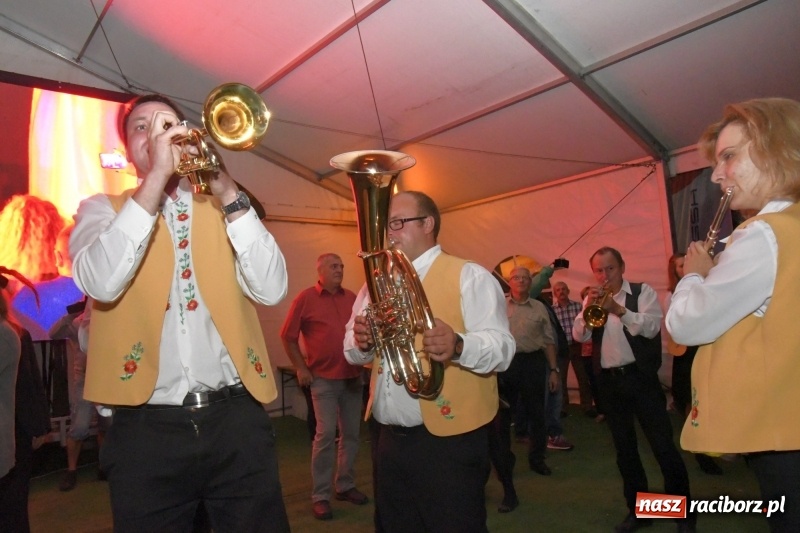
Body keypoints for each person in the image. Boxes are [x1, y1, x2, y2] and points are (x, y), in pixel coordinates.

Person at [70, 93, 290, 532]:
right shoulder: (101, 209)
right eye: (141, 126)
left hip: (235, 422)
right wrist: (155, 180)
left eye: (167, 122)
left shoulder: (224, 207)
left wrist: (228, 190)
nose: (156, 132)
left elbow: (272, 289)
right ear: (129, 149)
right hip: (145, 430)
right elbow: (100, 282)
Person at [666, 97, 800, 533]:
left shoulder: (762, 232)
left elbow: (685, 325)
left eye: (728, 157)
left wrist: (693, 276)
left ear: (775, 147)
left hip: (782, 434)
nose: (716, 173)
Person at [344, 191, 515, 533]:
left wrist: (460, 345)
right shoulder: (373, 283)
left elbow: (503, 347)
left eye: (397, 223)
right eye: (385, 225)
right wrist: (362, 342)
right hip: (388, 438)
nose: (388, 233)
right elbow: (350, 348)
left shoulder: (470, 275)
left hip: (449, 442)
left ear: (428, 224)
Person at [573, 247, 693, 533]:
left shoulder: (643, 292)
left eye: (610, 269)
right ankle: (638, 512)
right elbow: (580, 335)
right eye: (599, 270)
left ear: (622, 267)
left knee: (662, 448)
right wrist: (589, 310)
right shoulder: (593, 298)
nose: (604, 275)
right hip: (610, 384)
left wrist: (620, 311)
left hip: (641, 380)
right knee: (626, 452)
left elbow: (652, 327)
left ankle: (682, 514)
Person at [280, 252, 367, 521]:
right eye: (334, 266)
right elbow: (287, 336)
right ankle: (320, 496)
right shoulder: (305, 299)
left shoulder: (352, 298)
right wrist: (301, 367)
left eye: (341, 266)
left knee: (351, 435)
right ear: (320, 271)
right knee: (325, 436)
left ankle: (345, 485)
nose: (339, 270)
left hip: (352, 378)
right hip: (323, 381)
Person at [0, 274, 51, 532]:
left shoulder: (13, 335)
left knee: (13, 505)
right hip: (14, 427)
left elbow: (29, 384)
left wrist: (38, 426)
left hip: (14, 429)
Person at [664, 253, 722, 476]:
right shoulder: (673, 295)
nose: (684, 268)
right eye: (680, 265)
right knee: (691, 399)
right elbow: (677, 325)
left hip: (705, 347)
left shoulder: (706, 287)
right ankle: (700, 451)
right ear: (675, 270)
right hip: (687, 352)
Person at [502, 266, 560, 476]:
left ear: (531, 282)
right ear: (510, 282)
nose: (521, 281)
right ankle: (502, 460)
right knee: (502, 414)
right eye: (516, 277)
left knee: (537, 413)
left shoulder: (539, 307)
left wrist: (553, 370)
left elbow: (548, 341)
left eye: (525, 278)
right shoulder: (499, 306)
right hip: (505, 363)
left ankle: (537, 459)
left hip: (533, 363)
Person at [552, 281, 595, 417]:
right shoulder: (552, 310)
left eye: (564, 289)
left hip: (577, 346)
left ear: (568, 291)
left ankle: (587, 406)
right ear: (555, 293)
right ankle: (563, 408)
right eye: (558, 290)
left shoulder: (578, 306)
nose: (561, 292)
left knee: (583, 377)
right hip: (561, 348)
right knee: (561, 379)